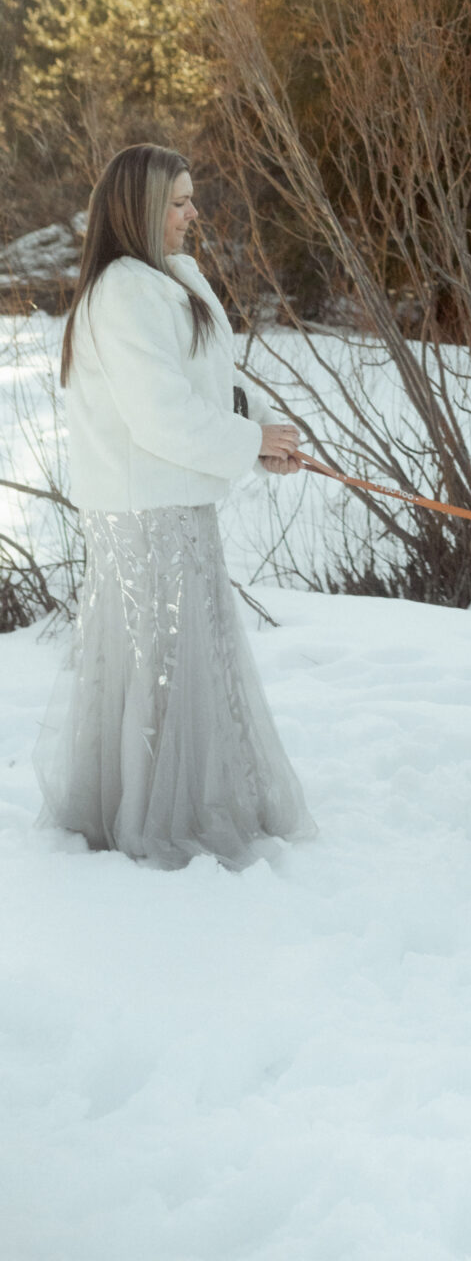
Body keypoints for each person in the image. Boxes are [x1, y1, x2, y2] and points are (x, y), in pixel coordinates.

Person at [36, 144, 314, 869]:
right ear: (142, 208)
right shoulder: (124, 291)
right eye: (181, 201)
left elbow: (199, 387)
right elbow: (160, 416)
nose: (194, 213)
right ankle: (155, 817)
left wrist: (257, 432)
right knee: (159, 662)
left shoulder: (164, 280)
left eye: (192, 198)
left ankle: (187, 800)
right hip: (145, 512)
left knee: (184, 656)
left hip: (176, 503)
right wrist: (248, 439)